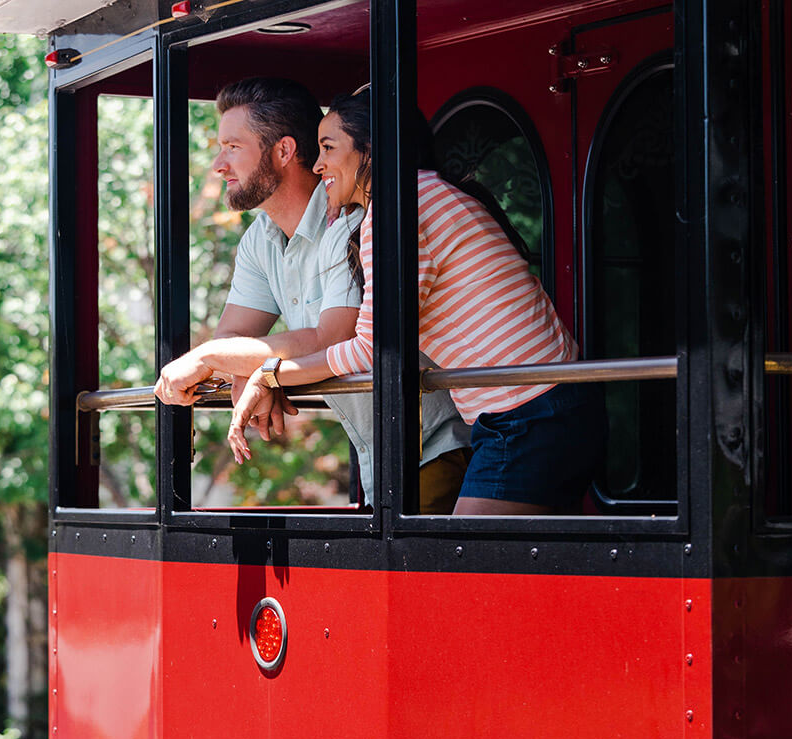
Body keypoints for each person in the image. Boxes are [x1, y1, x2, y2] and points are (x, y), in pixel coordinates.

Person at [227, 88, 607, 516]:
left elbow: (371, 350)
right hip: (537, 408)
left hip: (531, 414)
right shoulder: (420, 194)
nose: (318, 165)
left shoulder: (397, 210)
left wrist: (271, 375)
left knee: (462, 574)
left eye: (329, 148)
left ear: (371, 149)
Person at [154, 77, 470, 511]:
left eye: (232, 146)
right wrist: (253, 371)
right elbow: (233, 338)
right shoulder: (259, 239)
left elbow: (331, 339)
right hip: (380, 462)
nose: (218, 164)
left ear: (283, 151)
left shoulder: (353, 219)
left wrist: (238, 364)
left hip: (436, 445)